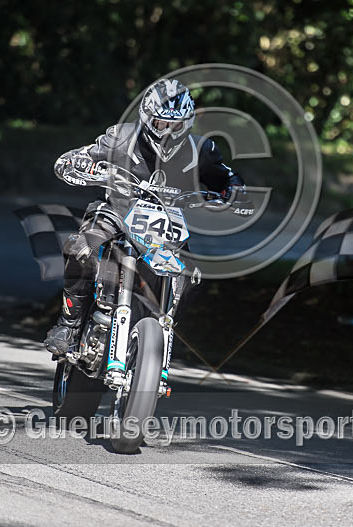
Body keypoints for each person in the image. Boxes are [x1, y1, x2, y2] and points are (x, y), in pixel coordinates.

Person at [45, 78, 245, 386]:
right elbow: (75, 158)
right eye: (161, 123)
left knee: (191, 274)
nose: (167, 132)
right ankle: (69, 324)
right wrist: (82, 166)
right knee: (82, 248)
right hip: (116, 212)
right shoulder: (120, 137)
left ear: (188, 123)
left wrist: (234, 193)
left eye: (176, 126)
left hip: (166, 224)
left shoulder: (201, 149)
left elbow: (227, 179)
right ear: (146, 117)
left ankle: (159, 332)